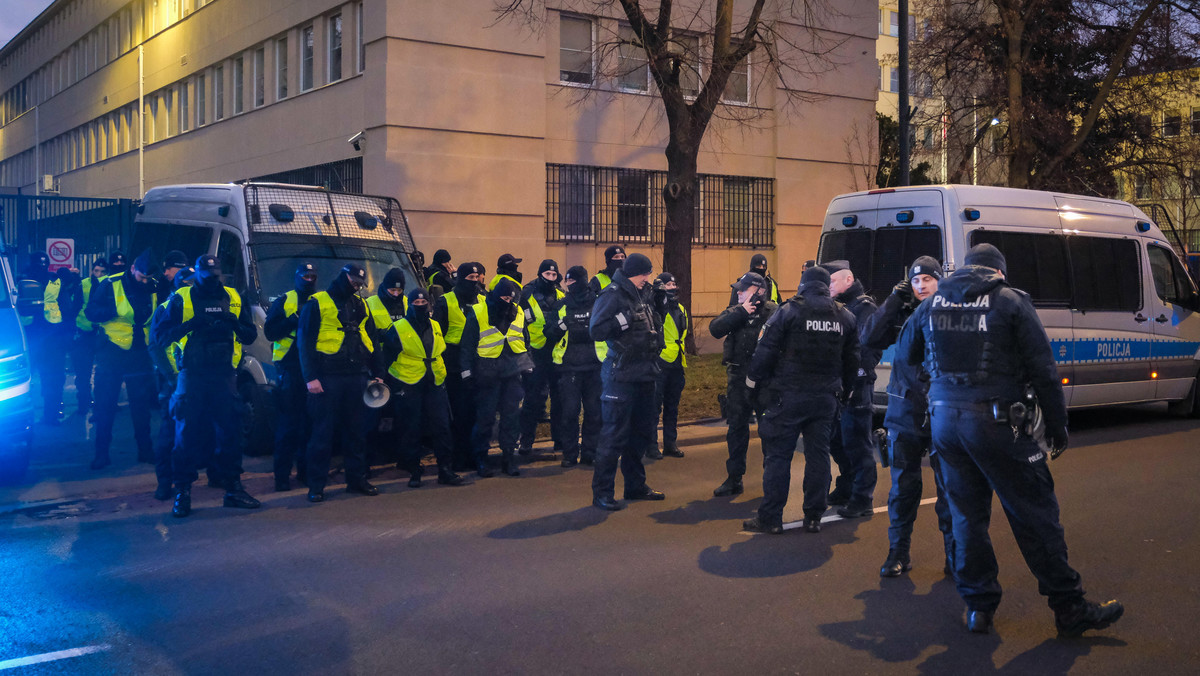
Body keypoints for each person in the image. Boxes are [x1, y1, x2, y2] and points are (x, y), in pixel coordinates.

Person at [896, 243, 1123, 636]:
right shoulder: (1010, 301)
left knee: (967, 516)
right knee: (1035, 514)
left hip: (945, 424)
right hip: (998, 423)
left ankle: (978, 607)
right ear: (999, 272)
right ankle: (1069, 606)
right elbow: (1043, 370)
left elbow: (905, 355)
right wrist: (1057, 426)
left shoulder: (932, 305)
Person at [742, 266, 859, 534]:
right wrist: (847, 392)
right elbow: (852, 360)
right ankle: (814, 516)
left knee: (778, 456)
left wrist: (751, 385)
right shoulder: (844, 316)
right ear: (826, 284)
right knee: (818, 457)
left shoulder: (789, 311)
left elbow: (765, 351)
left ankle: (771, 518)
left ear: (803, 284)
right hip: (826, 398)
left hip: (789, 396)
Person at [861, 256, 953, 578]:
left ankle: (954, 557)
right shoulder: (900, 311)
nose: (921, 286)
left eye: (928, 279)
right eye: (915, 281)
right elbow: (868, 337)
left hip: (943, 412)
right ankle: (898, 553)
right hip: (905, 411)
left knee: (949, 491)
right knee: (902, 490)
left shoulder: (951, 312)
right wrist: (892, 302)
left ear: (940, 281)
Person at [152, 255, 259, 518]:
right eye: (207, 273)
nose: (212, 278)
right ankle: (183, 493)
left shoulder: (233, 297)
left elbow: (250, 335)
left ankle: (233, 488)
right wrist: (190, 326)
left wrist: (232, 322)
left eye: (216, 273)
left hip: (224, 375)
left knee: (230, 433)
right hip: (192, 375)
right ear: (198, 272)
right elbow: (159, 339)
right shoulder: (181, 299)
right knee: (185, 437)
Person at [297, 263, 384, 503]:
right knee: (322, 435)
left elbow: (372, 340)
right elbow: (304, 342)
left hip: (356, 376)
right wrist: (310, 378)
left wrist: (378, 372)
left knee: (356, 433)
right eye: (354, 281)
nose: (356, 285)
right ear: (343, 276)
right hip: (327, 378)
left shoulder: (360, 304)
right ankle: (316, 485)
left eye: (359, 283)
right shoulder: (318, 302)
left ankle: (356, 480)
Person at [589, 253, 666, 511]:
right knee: (613, 436)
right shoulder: (612, 294)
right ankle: (602, 492)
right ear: (634, 272)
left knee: (640, 435)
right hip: (620, 374)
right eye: (645, 274)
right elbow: (596, 329)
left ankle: (635, 486)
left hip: (644, 372)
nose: (648, 278)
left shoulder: (641, 293)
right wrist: (622, 320)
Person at [382, 288, 466, 488]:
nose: (420, 307)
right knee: (411, 428)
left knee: (442, 427)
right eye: (416, 304)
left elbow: (440, 350)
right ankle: (414, 470)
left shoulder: (436, 325)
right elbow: (388, 358)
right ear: (409, 305)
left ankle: (445, 470)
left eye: (423, 303)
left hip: (435, 381)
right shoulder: (398, 327)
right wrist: (395, 385)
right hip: (409, 383)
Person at [85, 250, 160, 470]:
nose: (144, 281)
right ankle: (101, 454)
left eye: (148, 278)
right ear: (133, 269)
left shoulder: (152, 286)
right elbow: (91, 312)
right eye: (141, 276)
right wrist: (108, 311)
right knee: (105, 406)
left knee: (141, 407)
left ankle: (145, 451)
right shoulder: (110, 284)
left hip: (139, 353)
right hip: (112, 353)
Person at [708, 272, 778, 496]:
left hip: (764, 381)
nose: (738, 292)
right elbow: (715, 328)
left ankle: (771, 480)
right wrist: (740, 312)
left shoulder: (774, 312)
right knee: (736, 428)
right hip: (738, 380)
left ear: (758, 291)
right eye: (738, 289)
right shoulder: (735, 310)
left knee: (769, 431)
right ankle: (734, 478)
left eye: (743, 289)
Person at [822, 260, 880, 519]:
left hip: (857, 385)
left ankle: (862, 498)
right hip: (839, 385)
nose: (828, 286)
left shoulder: (864, 307)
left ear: (848, 279)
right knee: (837, 440)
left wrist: (856, 377)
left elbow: (869, 348)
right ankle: (846, 487)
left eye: (832, 281)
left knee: (857, 442)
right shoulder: (841, 307)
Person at [460, 278, 531, 477]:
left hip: (511, 372)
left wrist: (528, 366)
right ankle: (481, 459)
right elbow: (467, 345)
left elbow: (524, 339)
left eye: (511, 298)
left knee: (511, 418)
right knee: (485, 419)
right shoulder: (479, 311)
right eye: (504, 297)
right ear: (495, 295)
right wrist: (466, 372)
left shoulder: (517, 312)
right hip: (487, 373)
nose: (507, 301)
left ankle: (509, 458)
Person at [263, 262, 319, 492]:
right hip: (290, 367)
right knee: (288, 426)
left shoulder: (320, 301)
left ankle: (305, 473)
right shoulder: (285, 300)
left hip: (313, 368)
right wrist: (292, 321)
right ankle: (282, 477)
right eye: (305, 275)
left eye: (312, 276)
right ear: (297, 277)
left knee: (310, 425)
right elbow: (270, 332)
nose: (309, 279)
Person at [545, 265, 602, 468]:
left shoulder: (597, 303)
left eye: (572, 281)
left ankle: (590, 453)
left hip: (595, 365)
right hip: (569, 367)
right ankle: (570, 454)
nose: (568, 285)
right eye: (566, 281)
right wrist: (562, 325)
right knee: (570, 412)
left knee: (594, 412)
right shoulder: (562, 305)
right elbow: (548, 333)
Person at [148, 265, 196, 500]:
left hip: (194, 379)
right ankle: (165, 483)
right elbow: (156, 347)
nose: (192, 286)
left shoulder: (198, 306)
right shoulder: (166, 308)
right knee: (169, 435)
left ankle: (188, 479)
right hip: (174, 382)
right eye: (187, 282)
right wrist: (173, 377)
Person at [434, 261, 485, 472]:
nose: (474, 282)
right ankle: (458, 458)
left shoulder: (483, 300)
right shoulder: (445, 301)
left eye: (476, 278)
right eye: (469, 278)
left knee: (477, 413)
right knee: (459, 415)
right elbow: (437, 334)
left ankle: (476, 456)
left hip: (480, 362)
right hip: (454, 365)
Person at [20, 253, 76, 424]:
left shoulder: (24, 281)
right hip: (43, 339)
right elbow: (67, 311)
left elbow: (66, 311)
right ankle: (46, 415)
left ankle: (42, 416)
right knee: (47, 379)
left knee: (45, 379)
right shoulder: (32, 281)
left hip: (39, 339)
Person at [518, 259, 565, 456]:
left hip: (556, 353)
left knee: (559, 400)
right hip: (535, 353)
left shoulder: (561, 295)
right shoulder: (527, 293)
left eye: (554, 275)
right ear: (540, 274)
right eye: (548, 274)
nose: (551, 278)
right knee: (533, 400)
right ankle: (526, 442)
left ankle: (560, 441)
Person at [648, 272, 687, 459]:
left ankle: (671, 443)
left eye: (673, 284)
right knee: (654, 408)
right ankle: (652, 446)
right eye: (668, 285)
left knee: (672, 407)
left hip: (677, 362)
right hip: (660, 361)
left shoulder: (680, 308)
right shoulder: (656, 307)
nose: (672, 287)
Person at [67, 259, 108, 415]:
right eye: (96, 271)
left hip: (102, 335)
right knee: (83, 373)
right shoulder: (84, 284)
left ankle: (100, 404)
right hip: (84, 333)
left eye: (102, 272)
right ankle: (83, 403)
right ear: (91, 270)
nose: (98, 274)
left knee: (103, 373)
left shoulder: (110, 285)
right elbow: (74, 307)